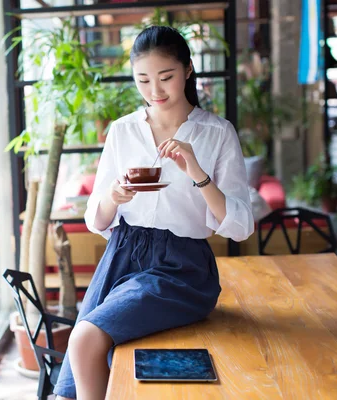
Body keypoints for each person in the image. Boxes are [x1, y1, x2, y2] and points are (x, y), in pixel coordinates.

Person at [53, 25, 254, 400]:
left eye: (166, 77)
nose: (155, 91)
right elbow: (97, 220)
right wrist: (114, 196)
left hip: (183, 266)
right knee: (85, 363)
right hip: (122, 256)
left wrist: (196, 171)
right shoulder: (122, 131)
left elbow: (241, 227)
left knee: (83, 339)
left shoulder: (217, 133)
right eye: (143, 80)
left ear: (188, 71)